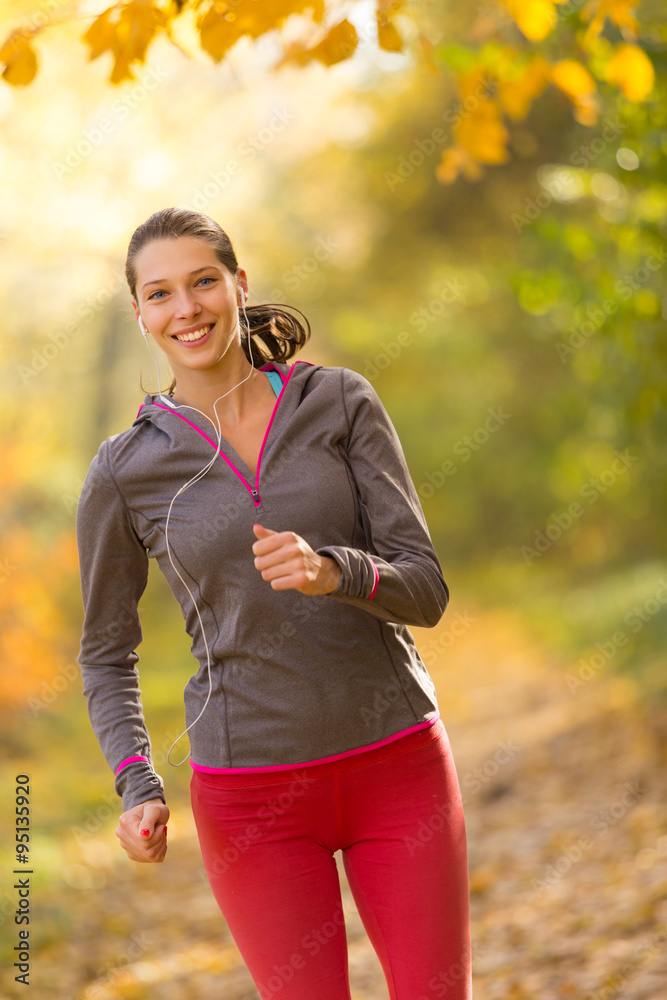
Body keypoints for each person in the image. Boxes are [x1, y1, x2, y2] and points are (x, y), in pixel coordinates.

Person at [75, 207, 472, 1000]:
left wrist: (338, 572)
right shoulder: (126, 469)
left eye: (202, 282)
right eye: (160, 294)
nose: (185, 309)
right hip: (249, 793)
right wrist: (136, 781)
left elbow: (424, 588)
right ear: (140, 314)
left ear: (238, 285)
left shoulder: (339, 401)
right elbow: (105, 649)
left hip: (396, 758)